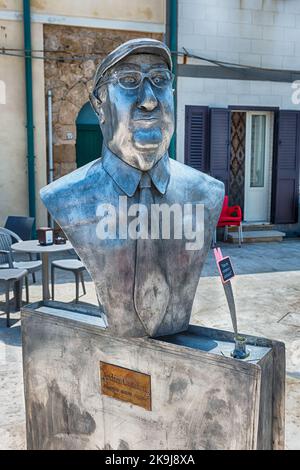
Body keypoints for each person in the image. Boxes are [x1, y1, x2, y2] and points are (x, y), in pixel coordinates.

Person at [41, 38, 224, 338]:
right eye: (129, 81)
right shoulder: (66, 197)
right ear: (99, 106)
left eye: (160, 80)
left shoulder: (207, 193)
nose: (149, 99)